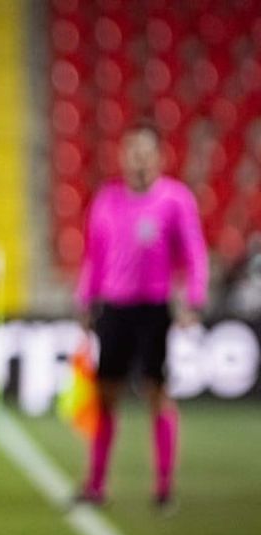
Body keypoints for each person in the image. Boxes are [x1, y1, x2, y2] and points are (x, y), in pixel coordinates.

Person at [74, 122, 209, 509]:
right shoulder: (107, 199)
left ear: (159, 158)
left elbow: (195, 253)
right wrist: (86, 301)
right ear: (122, 157)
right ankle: (96, 484)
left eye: (145, 154)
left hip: (153, 309)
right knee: (106, 396)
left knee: (157, 393)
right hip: (115, 309)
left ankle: (164, 486)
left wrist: (193, 301)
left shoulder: (175, 200)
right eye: (132, 153)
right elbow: (94, 258)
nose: (138, 161)